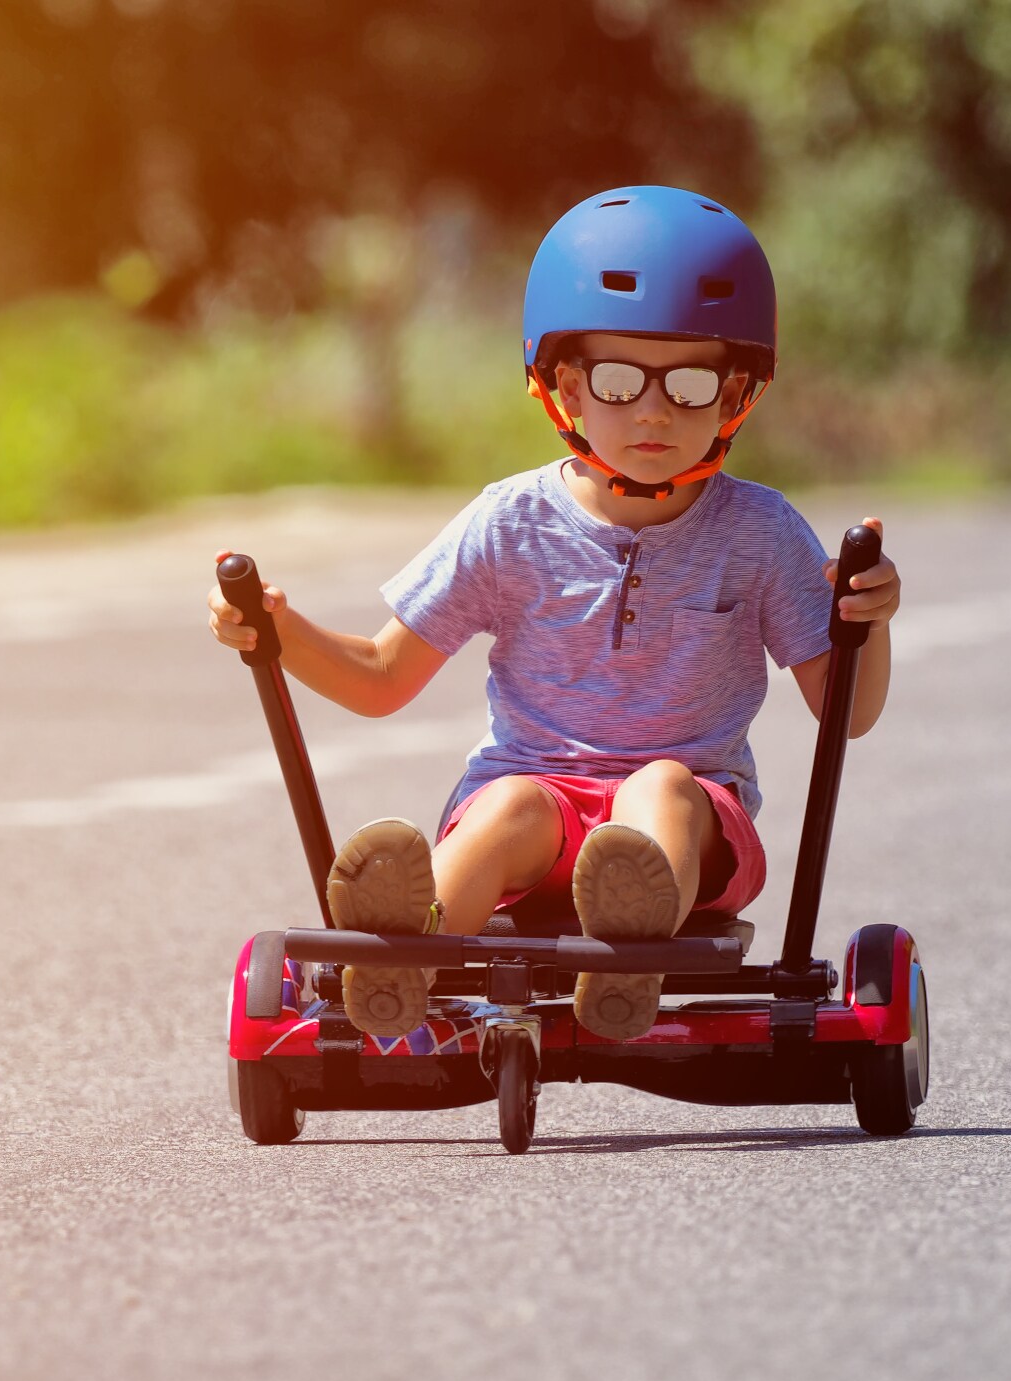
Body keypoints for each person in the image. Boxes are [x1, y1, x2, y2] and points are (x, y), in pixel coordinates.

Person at [207, 185, 902, 1042]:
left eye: (688, 383)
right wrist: (279, 631)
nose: (652, 409)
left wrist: (865, 623)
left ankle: (630, 951)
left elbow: (849, 713)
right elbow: (382, 679)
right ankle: (403, 954)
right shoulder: (510, 522)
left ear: (734, 394)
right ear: (566, 386)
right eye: (618, 380)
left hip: (693, 826)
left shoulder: (761, 532)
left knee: (661, 788)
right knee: (506, 804)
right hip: (539, 810)